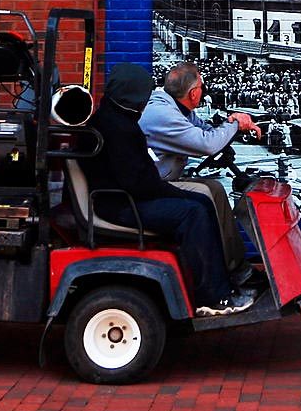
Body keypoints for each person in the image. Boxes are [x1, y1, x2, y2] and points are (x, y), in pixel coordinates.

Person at [82, 63, 253, 316]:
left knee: (202, 203)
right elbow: (139, 183)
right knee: (193, 212)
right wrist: (172, 193)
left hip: (129, 195)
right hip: (121, 204)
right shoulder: (121, 128)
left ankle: (223, 279)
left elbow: (141, 178)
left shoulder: (116, 119)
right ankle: (213, 297)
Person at [139, 61, 261, 286]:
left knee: (214, 188)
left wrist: (229, 124)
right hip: (155, 186)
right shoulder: (163, 114)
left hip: (163, 179)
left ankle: (236, 265)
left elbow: (205, 131)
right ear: (194, 93)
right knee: (206, 196)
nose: (204, 91)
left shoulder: (176, 107)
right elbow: (207, 144)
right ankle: (228, 271)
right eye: (202, 87)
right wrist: (236, 125)